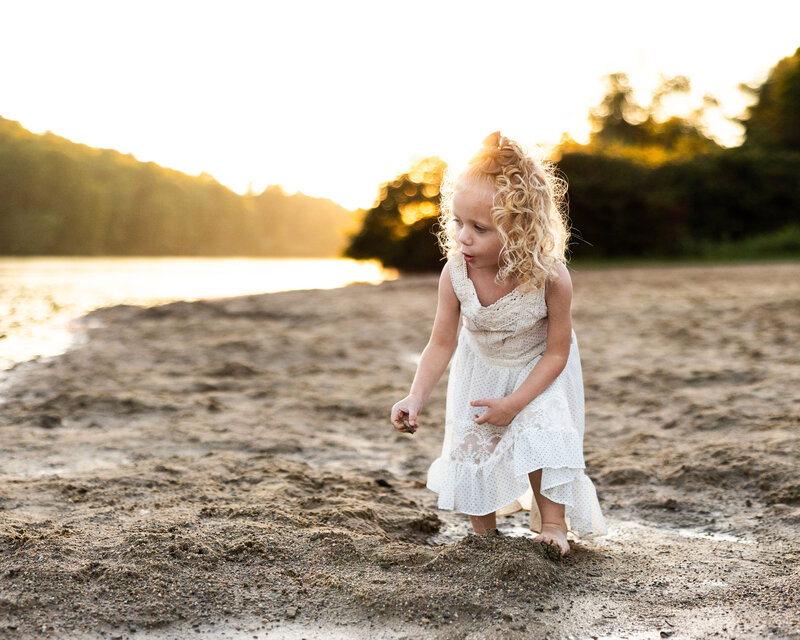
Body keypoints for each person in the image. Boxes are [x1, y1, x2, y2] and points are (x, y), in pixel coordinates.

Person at [390, 131, 607, 557]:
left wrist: (516, 404)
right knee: (474, 443)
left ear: (521, 229)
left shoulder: (550, 278)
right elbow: (439, 344)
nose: (463, 237)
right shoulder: (455, 275)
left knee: (543, 431)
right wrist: (416, 396)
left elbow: (558, 353)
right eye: (457, 222)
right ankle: (483, 533)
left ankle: (553, 526)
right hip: (481, 366)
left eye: (479, 228)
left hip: (539, 368)